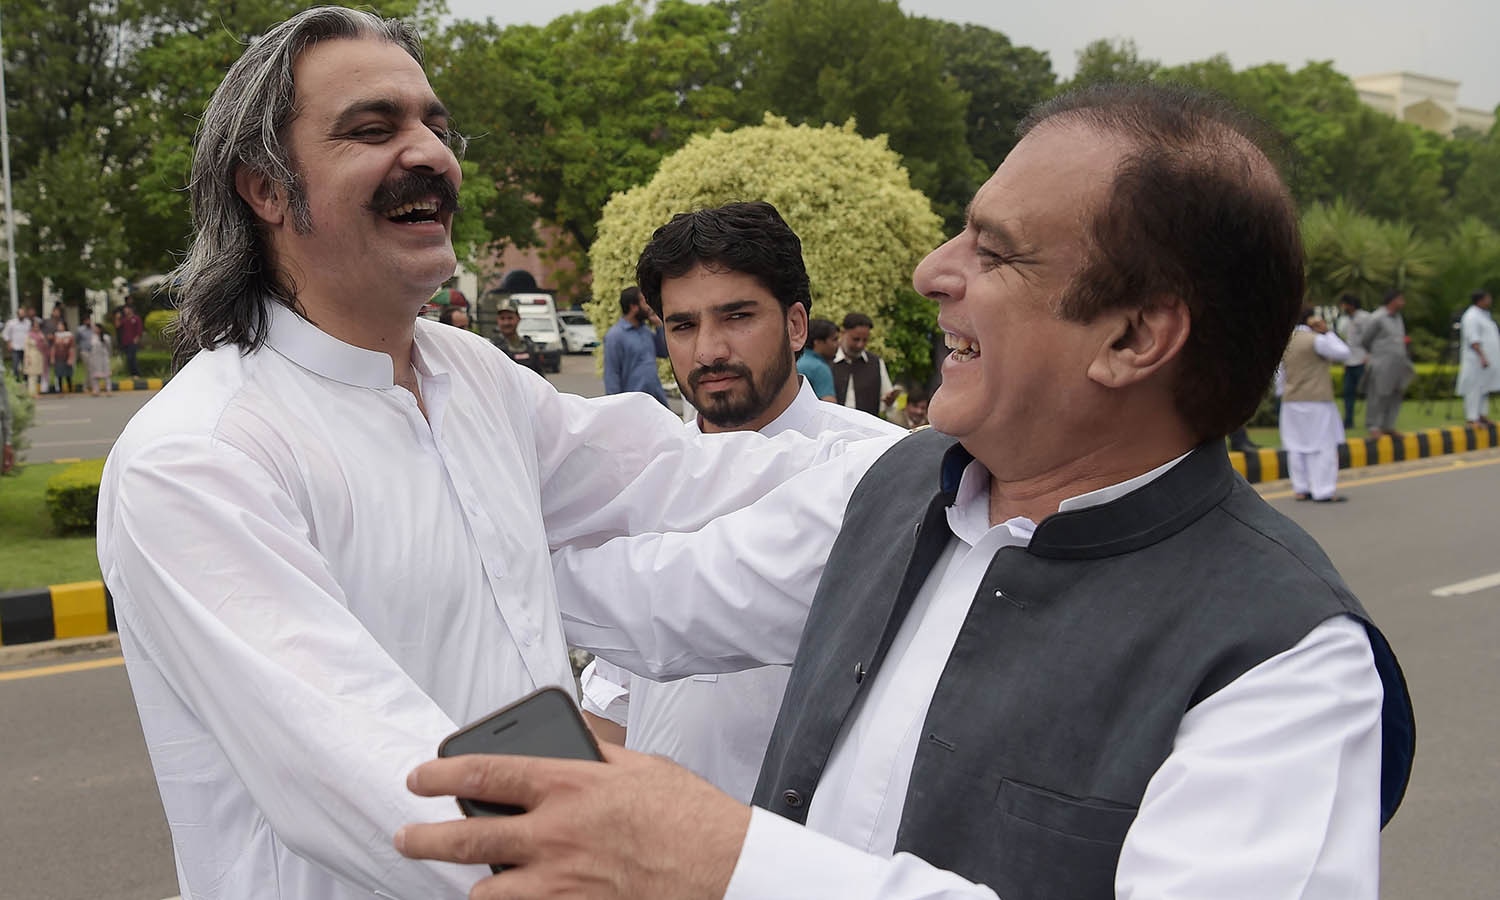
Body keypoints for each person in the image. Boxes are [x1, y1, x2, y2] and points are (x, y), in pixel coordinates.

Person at [399, 83, 1415, 900]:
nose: (934, 271)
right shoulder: (897, 489)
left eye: (995, 251)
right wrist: (397, 422)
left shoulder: (1283, 661)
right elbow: (666, 601)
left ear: (1135, 338)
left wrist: (727, 861)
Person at [94, 9, 868, 900]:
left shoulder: (468, 376)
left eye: (435, 124)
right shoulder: (201, 459)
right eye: (374, 129)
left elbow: (672, 479)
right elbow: (387, 782)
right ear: (266, 190)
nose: (430, 154)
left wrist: (932, 473)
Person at [578, 201, 904, 800]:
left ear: (796, 325)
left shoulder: (885, 475)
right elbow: (614, 700)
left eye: (736, 317)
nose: (709, 351)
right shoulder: (640, 485)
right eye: (682, 325)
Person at [1278, 308, 1350, 502]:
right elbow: (1344, 353)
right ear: (1311, 319)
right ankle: (1323, 490)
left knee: (1295, 445)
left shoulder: (1286, 341)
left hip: (1291, 400)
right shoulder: (1316, 340)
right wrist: (1327, 332)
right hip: (1316, 400)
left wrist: (1283, 393)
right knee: (1323, 445)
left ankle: (1301, 488)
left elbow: (1280, 375)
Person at [1359, 289, 1414, 438]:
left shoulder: (1398, 317)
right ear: (1392, 300)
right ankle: (1373, 426)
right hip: (1381, 362)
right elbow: (1365, 340)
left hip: (1398, 362)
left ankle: (1388, 425)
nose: (1403, 302)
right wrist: (1377, 354)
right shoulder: (1377, 317)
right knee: (1378, 394)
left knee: (1396, 393)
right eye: (1400, 299)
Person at [603, 285, 670, 406]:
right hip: (632, 404)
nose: (649, 307)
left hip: (655, 400)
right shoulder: (615, 336)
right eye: (644, 303)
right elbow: (612, 375)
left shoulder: (645, 331)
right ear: (633, 307)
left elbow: (665, 352)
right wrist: (614, 407)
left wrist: (659, 327)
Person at [832, 311, 898, 416]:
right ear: (843, 333)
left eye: (865, 340)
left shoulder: (876, 363)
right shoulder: (827, 361)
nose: (860, 345)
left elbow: (888, 403)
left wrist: (889, 402)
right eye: (855, 339)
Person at [1455, 289, 1499, 425]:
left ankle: (1481, 414)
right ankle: (1472, 417)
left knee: (1484, 387)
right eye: (1487, 298)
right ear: (1480, 300)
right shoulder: (1471, 316)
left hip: (1486, 362)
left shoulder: (1484, 315)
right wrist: (1482, 356)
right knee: (1474, 388)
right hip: (1476, 360)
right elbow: (1473, 339)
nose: (1489, 301)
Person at [1337, 293, 1372, 428]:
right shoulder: (1345, 320)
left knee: (1367, 392)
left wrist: (1369, 356)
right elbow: (1345, 340)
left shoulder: (1364, 317)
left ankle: (1371, 421)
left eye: (1344, 304)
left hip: (1362, 360)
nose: (1343, 307)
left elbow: (1370, 337)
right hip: (1349, 361)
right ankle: (1348, 421)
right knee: (1348, 393)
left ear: (1350, 304)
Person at [491, 296, 544, 374]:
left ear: (518, 318)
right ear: (497, 320)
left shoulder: (530, 346)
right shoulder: (492, 348)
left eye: (510, 318)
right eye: (502, 318)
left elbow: (540, 378)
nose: (506, 323)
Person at [797, 318, 839, 401]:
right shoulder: (819, 368)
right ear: (818, 342)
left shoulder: (795, 360)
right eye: (834, 340)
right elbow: (829, 402)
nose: (838, 344)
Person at [3, 305, 32, 380]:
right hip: (15, 347)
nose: (22, 315)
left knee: (26, 365)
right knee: (15, 364)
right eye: (20, 313)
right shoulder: (11, 323)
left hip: (26, 347)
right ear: (17, 314)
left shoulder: (28, 323)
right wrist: (8, 343)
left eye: (23, 313)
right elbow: (5, 334)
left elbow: (31, 334)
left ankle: (26, 380)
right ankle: (17, 379)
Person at [85, 322, 112, 396]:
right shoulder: (92, 337)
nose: (94, 329)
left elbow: (109, 348)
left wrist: (109, 356)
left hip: (104, 358)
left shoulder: (106, 337)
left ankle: (108, 390)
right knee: (94, 374)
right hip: (94, 358)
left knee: (106, 374)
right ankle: (96, 390)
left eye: (96, 328)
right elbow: (90, 348)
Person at [116, 303, 144, 377]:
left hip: (133, 341)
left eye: (126, 309)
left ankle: (136, 373)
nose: (125, 311)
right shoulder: (124, 319)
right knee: (128, 359)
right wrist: (117, 318)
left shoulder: (136, 318)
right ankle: (132, 373)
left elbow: (139, 329)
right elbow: (118, 325)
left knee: (132, 357)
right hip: (125, 342)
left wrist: (137, 338)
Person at [50, 323, 77, 394]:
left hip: (67, 357)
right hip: (58, 358)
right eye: (58, 326)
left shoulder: (69, 335)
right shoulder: (55, 335)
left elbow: (72, 347)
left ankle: (70, 389)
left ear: (65, 326)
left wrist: (71, 358)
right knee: (59, 374)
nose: (59, 327)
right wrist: (52, 357)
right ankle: (60, 390)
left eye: (61, 326)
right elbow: (53, 347)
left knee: (68, 374)